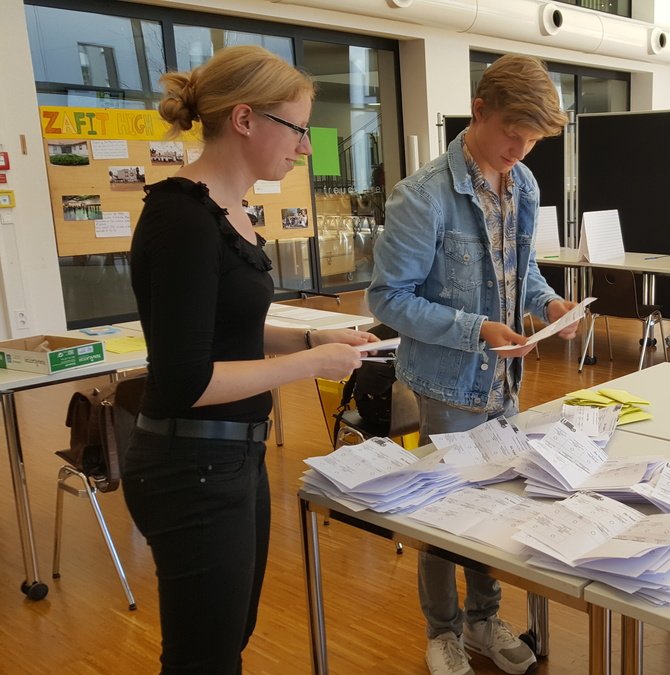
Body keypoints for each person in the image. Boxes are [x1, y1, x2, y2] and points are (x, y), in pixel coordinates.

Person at [124, 45, 373, 674]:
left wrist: (313, 343)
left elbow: (232, 333)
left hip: (234, 454)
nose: (304, 148)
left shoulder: (229, 212)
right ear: (244, 119)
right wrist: (310, 368)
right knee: (203, 657)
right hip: (190, 464)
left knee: (231, 634)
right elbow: (187, 379)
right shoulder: (181, 218)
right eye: (296, 129)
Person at [368, 54, 578, 675]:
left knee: (493, 508)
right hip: (447, 381)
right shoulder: (424, 195)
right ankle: (444, 631)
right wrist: (475, 329)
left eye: (535, 138)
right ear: (479, 111)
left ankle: (485, 619)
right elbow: (387, 298)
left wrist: (549, 302)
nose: (522, 147)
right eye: (514, 130)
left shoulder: (526, 187)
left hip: (504, 378)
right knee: (445, 512)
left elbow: (524, 270)